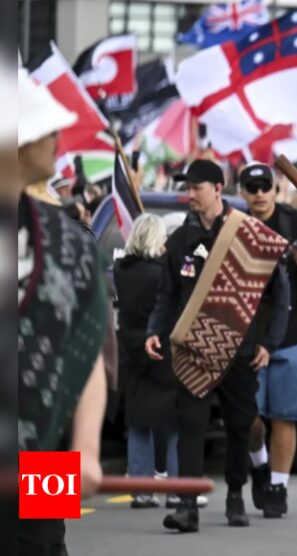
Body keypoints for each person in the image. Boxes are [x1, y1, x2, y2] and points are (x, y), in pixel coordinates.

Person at [144, 160, 291, 532]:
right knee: (190, 425)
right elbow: (167, 294)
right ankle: (188, 507)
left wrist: (269, 343)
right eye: (188, 188)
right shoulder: (179, 241)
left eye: (196, 188)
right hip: (193, 349)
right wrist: (154, 330)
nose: (190, 194)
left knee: (240, 427)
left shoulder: (251, 236)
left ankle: (235, 497)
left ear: (217, 187)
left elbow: (279, 292)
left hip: (240, 351)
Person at [16, 66, 108, 556]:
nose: (57, 137)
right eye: (43, 127)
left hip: (44, 456)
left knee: (44, 542)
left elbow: (86, 350)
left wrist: (86, 451)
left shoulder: (70, 241)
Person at [237, 163, 297, 518]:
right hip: (248, 336)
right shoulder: (236, 227)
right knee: (248, 416)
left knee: (285, 416)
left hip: (295, 333)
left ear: (275, 190)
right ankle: (259, 465)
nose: (259, 193)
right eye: (252, 187)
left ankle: (278, 486)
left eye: (265, 187)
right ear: (242, 192)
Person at [114, 215, 186, 509]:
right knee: (172, 423)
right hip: (162, 350)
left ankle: (141, 490)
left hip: (133, 353)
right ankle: (175, 490)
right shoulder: (161, 274)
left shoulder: (121, 270)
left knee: (139, 424)